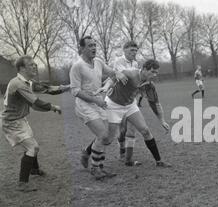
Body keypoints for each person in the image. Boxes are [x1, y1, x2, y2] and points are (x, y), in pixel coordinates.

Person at [1, 56, 64, 192]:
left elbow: (47, 89)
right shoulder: (18, 84)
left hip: (20, 120)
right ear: (22, 68)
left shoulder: (27, 82)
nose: (35, 66)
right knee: (32, 147)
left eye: (35, 64)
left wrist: (67, 87)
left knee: (32, 146)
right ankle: (22, 184)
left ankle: (34, 170)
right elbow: (36, 103)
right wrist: (53, 107)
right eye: (31, 65)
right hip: (11, 122)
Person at [70, 36, 128, 180]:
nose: (94, 48)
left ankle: (87, 152)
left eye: (94, 45)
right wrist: (95, 100)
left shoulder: (98, 61)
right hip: (84, 105)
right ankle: (96, 168)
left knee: (107, 137)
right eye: (90, 46)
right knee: (102, 135)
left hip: (98, 103)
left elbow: (111, 72)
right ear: (82, 48)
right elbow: (75, 91)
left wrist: (118, 73)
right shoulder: (77, 66)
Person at [99, 59, 171, 168]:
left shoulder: (149, 85)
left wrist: (162, 120)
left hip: (130, 105)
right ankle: (87, 151)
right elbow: (113, 77)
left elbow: (155, 103)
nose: (155, 75)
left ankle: (159, 161)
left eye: (156, 72)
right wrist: (106, 86)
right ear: (144, 69)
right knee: (108, 138)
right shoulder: (131, 74)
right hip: (114, 104)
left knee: (145, 131)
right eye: (152, 72)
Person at [110, 41, 141, 165]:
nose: (134, 53)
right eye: (131, 50)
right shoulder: (118, 61)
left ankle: (128, 159)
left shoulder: (136, 63)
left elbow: (134, 81)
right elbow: (123, 75)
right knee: (122, 130)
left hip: (130, 100)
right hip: (117, 100)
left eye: (135, 51)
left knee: (132, 129)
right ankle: (122, 152)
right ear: (124, 50)